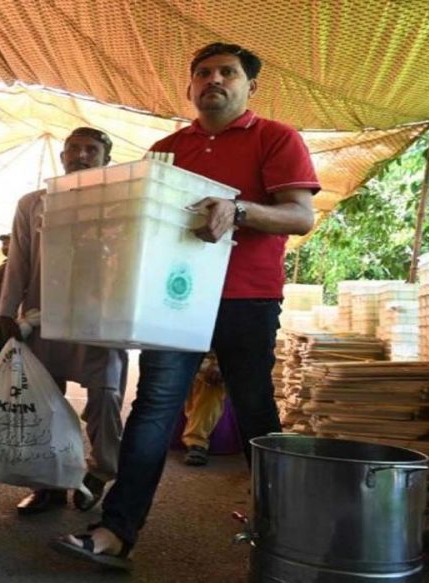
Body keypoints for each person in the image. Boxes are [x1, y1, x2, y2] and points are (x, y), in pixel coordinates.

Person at [53, 43, 318, 570]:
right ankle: (117, 531)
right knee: (153, 407)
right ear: (190, 86)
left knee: (254, 408)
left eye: (228, 73)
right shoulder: (166, 150)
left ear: (249, 87)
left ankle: (289, 538)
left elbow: (300, 215)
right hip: (172, 299)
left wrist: (238, 211)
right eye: (203, 73)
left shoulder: (276, 137)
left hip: (246, 297)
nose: (214, 80)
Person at [0, 127, 129, 515]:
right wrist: (6, 313)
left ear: (106, 160)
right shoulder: (32, 203)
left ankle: (100, 472)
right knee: (43, 402)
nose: (81, 156)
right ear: (63, 157)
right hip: (43, 317)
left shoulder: (123, 203)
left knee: (105, 396)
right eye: (74, 149)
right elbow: (18, 261)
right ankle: (48, 483)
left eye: (91, 150)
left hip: (101, 318)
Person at [180, 352, 226, 467]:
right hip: (190, 355)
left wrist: (218, 363)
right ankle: (195, 440)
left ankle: (196, 442)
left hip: (224, 358)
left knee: (212, 381)